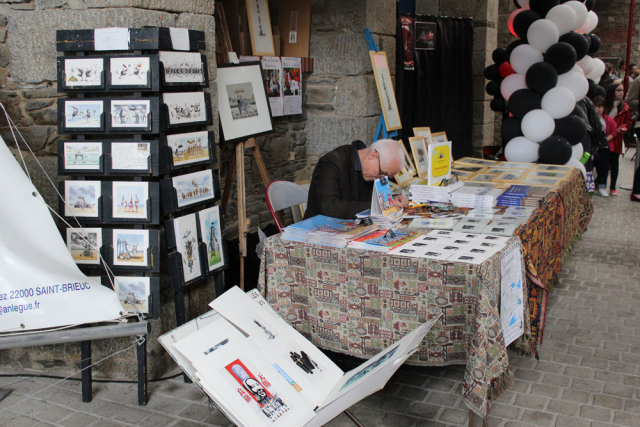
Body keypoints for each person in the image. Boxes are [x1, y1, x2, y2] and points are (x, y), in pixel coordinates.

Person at [304, 139, 408, 219]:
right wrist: (378, 207)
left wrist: (391, 200)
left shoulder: (371, 170)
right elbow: (329, 207)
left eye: (386, 177)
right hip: (320, 231)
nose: (381, 178)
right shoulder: (331, 163)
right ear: (373, 156)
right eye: (382, 173)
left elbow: (369, 202)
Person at [603, 83, 633, 196]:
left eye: (622, 90)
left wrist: (621, 129)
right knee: (603, 163)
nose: (621, 92)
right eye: (618, 90)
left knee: (614, 163)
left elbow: (628, 123)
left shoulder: (625, 107)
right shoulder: (605, 105)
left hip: (617, 139)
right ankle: (601, 185)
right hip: (605, 136)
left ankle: (613, 187)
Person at [574, 96, 605, 193]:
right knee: (584, 166)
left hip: (566, 134)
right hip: (584, 133)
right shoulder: (583, 98)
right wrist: (602, 141)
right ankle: (584, 194)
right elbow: (595, 121)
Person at [593, 96, 617, 197]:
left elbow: (614, 131)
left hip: (605, 147)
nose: (598, 109)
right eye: (596, 106)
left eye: (600, 106)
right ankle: (592, 185)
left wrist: (606, 139)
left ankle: (602, 186)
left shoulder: (609, 120)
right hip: (594, 147)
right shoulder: (591, 120)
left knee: (603, 168)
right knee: (592, 167)